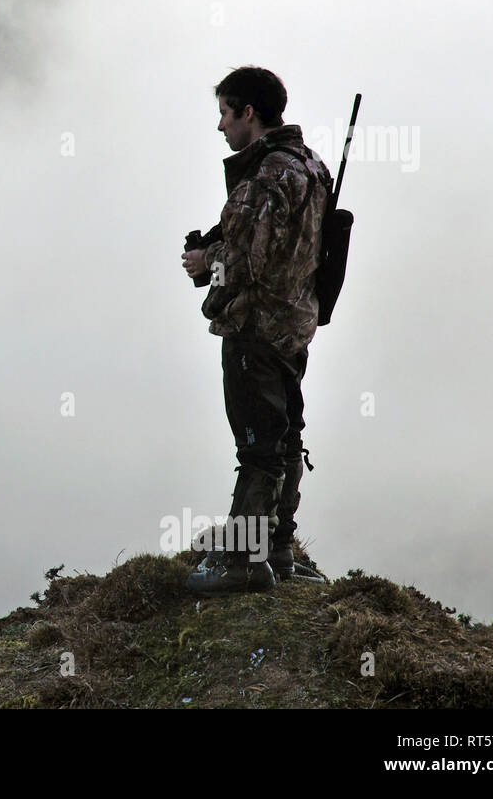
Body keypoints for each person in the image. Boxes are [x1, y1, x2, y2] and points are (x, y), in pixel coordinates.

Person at [181, 66, 331, 594]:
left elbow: (247, 258)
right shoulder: (311, 166)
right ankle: (281, 549)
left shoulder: (268, 173)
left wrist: (205, 261)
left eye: (225, 112)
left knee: (257, 443)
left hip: (256, 326)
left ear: (249, 112)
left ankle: (247, 558)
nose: (220, 126)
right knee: (286, 435)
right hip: (295, 323)